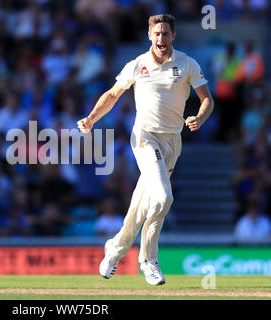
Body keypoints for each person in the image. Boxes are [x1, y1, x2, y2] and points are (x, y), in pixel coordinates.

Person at [77, 14, 214, 285]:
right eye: (157, 34)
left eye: (166, 34)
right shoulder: (138, 64)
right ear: (149, 35)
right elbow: (113, 94)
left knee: (142, 204)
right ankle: (148, 260)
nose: (161, 39)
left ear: (173, 36)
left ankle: (114, 249)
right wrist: (92, 117)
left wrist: (200, 117)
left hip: (172, 142)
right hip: (144, 137)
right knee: (163, 198)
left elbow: (207, 99)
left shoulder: (187, 63)